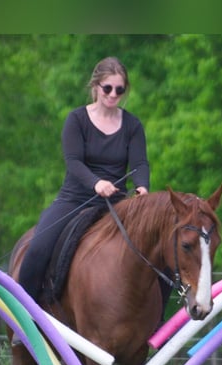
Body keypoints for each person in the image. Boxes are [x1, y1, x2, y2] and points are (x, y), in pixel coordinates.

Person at [17, 56, 150, 304]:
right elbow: (74, 162)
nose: (113, 94)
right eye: (107, 88)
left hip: (117, 201)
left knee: (157, 250)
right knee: (37, 248)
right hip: (75, 198)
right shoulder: (76, 120)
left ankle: (158, 322)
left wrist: (142, 186)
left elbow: (140, 163)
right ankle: (22, 313)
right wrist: (96, 183)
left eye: (119, 90)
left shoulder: (132, 125)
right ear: (95, 87)